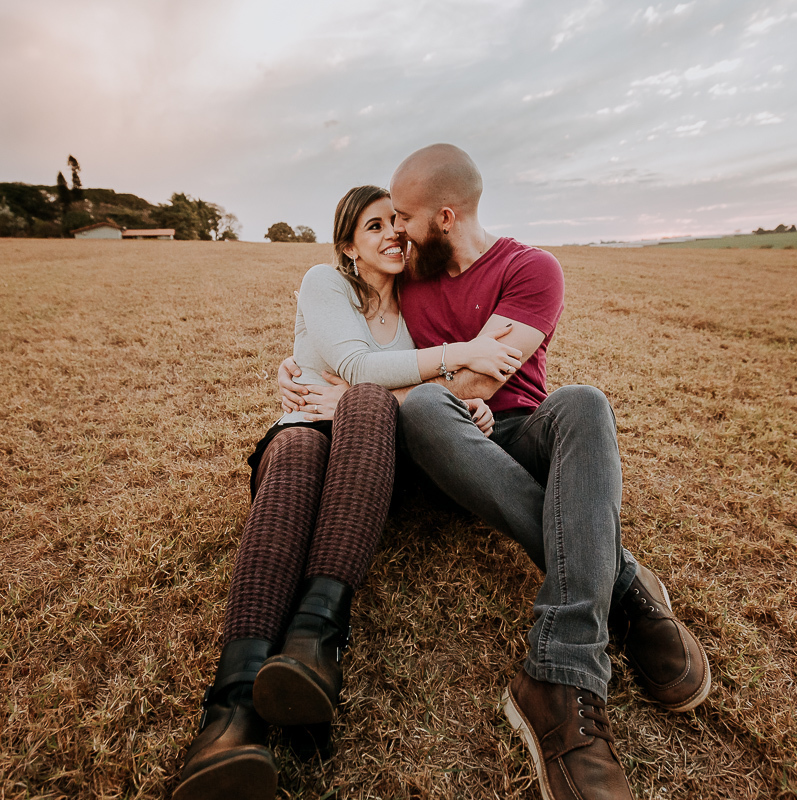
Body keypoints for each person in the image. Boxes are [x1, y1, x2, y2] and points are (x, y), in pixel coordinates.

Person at [279, 145, 711, 800]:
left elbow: (483, 379)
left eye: (404, 218)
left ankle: (565, 660)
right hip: (440, 443)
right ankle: (621, 585)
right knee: (427, 406)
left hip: (515, 430)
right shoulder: (408, 275)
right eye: (387, 222)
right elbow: (358, 341)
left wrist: (365, 394)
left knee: (583, 401)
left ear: (444, 217)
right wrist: (310, 373)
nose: (397, 232)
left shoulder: (532, 269)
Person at [172, 184, 521, 800]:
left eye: (396, 222)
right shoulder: (325, 283)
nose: (393, 234)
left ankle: (314, 645)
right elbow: (360, 365)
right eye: (374, 226)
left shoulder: (418, 303)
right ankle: (231, 715)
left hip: (372, 454)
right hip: (306, 431)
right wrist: (461, 352)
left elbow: (408, 388)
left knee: (364, 402)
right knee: (300, 447)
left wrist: (466, 407)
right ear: (349, 246)